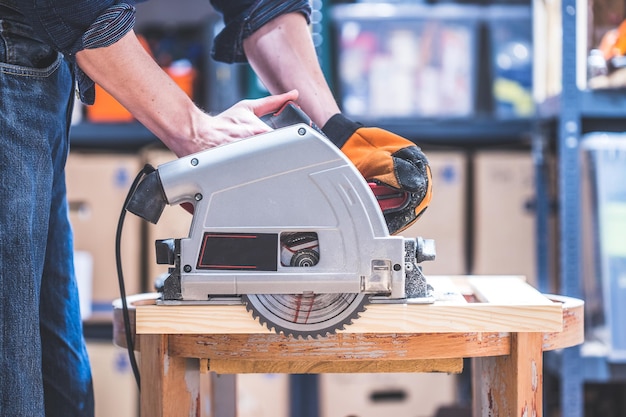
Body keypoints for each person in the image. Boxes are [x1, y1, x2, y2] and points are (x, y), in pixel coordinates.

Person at [0, 1, 431, 416]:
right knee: (14, 382)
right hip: (17, 54)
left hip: (42, 63)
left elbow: (260, 3)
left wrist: (336, 137)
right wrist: (192, 131)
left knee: (59, 384)